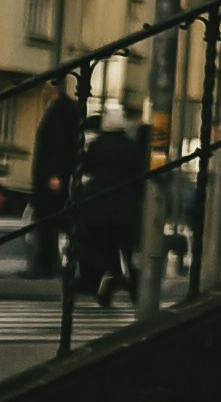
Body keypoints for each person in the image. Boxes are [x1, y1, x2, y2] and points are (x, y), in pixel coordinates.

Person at [69, 107, 149, 307]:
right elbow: (139, 175)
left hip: (99, 204)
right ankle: (129, 286)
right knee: (126, 249)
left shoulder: (97, 145)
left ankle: (109, 280)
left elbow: (84, 167)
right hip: (125, 205)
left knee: (105, 248)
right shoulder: (131, 146)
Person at [25, 80, 81, 281]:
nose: (43, 92)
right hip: (53, 176)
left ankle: (46, 264)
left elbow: (59, 144)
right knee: (55, 220)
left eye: (47, 88)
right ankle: (51, 262)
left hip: (52, 177)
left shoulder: (61, 112)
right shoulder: (63, 110)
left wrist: (56, 174)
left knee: (50, 220)